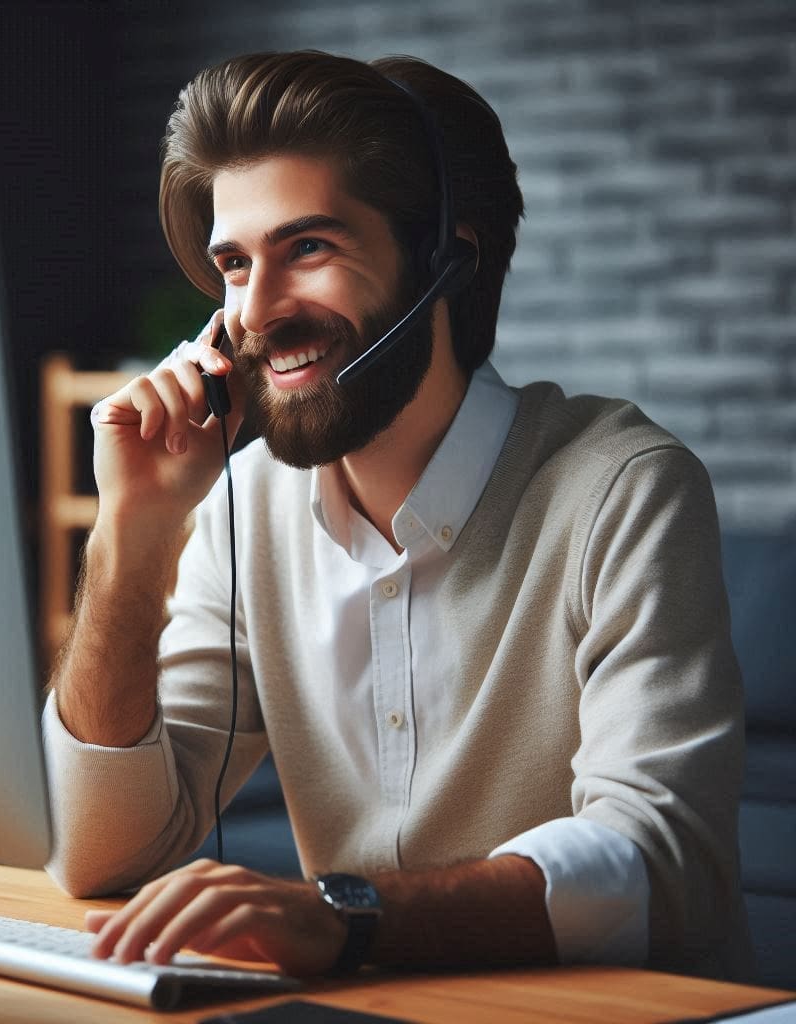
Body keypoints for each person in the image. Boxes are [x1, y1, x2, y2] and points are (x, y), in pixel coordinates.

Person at [43, 50, 751, 982]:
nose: (254, 314)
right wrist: (132, 542)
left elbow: (660, 862)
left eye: (309, 248)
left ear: (445, 258)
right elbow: (100, 858)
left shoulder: (621, 489)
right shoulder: (241, 506)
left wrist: (349, 918)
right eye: (233, 265)